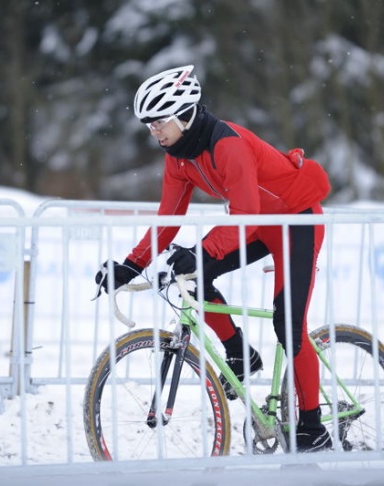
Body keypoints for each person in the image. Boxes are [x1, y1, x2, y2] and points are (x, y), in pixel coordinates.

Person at [94, 65, 332, 452]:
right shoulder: (178, 157)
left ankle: (312, 425)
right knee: (192, 278)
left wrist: (202, 251)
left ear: (185, 115)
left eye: (159, 122)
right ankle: (241, 355)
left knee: (288, 323)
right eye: (148, 124)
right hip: (255, 222)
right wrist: (131, 265)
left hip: (295, 221)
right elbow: (169, 220)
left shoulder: (228, 145)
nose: (153, 130)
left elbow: (246, 213)